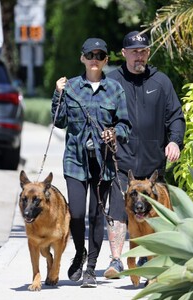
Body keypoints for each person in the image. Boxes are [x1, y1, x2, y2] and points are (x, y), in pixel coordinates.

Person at [104, 31, 185, 278]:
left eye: (143, 51)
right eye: (135, 52)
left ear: (148, 53)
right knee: (118, 211)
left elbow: (176, 117)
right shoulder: (113, 81)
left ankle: (146, 257)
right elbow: (102, 114)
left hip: (153, 165)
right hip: (122, 160)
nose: (139, 56)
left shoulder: (161, 82)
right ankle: (117, 260)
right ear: (124, 53)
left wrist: (175, 142)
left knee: (153, 214)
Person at [51, 37, 131, 288]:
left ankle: (91, 268)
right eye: (90, 55)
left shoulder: (115, 90)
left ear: (106, 60)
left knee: (97, 216)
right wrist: (57, 93)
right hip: (75, 159)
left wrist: (114, 132)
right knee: (76, 213)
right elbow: (58, 121)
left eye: (100, 56)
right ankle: (79, 251)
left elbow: (125, 126)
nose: (95, 60)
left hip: (103, 162)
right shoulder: (72, 87)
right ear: (82, 58)